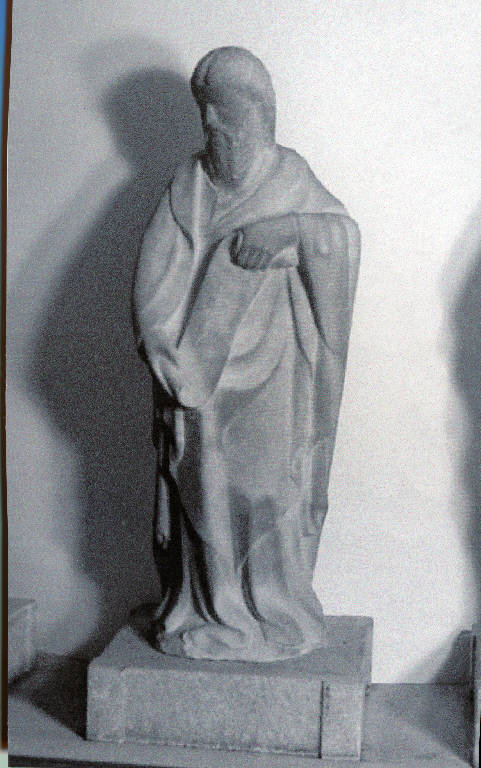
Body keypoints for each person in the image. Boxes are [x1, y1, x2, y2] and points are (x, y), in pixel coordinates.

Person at [133, 46, 360, 661]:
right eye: (204, 111)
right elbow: (153, 283)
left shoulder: (293, 180)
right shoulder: (189, 187)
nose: (210, 124)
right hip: (198, 378)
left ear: (257, 111)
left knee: (264, 491)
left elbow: (340, 236)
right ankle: (210, 610)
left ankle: (273, 608)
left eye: (222, 111)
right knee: (204, 488)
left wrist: (290, 231)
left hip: (272, 374)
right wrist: (166, 351)